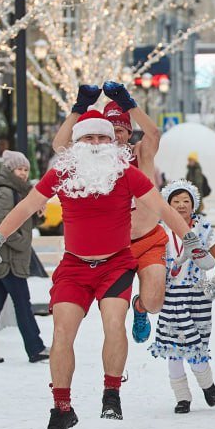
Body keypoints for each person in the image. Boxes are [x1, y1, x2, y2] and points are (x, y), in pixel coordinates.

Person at [0, 108, 212, 429]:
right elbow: (26, 207)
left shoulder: (126, 173)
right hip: (75, 267)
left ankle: (111, 393)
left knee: (113, 322)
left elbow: (163, 208)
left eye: (102, 137)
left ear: (112, 142)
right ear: (78, 142)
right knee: (62, 332)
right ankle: (62, 408)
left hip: (115, 263)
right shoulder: (62, 174)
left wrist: (193, 242)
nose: (96, 143)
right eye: (89, 137)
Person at [51, 82, 164, 345]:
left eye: (123, 129)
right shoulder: (90, 161)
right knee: (112, 320)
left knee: (155, 302)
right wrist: (79, 108)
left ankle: (140, 308)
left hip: (146, 239)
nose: (118, 135)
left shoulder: (140, 153)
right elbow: (60, 145)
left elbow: (154, 133)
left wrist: (128, 103)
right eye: (112, 131)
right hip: (113, 249)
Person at [152, 180, 215, 413]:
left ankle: (207, 383)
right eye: (176, 201)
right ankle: (182, 397)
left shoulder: (203, 228)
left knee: (197, 345)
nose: (181, 205)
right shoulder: (159, 230)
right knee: (173, 348)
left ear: (194, 204)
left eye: (186, 201)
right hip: (170, 295)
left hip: (198, 294)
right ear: (167, 204)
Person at [0, 150, 49, 365]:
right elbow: (0, 223)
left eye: (26, 169)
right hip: (6, 257)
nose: (23, 173)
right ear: (9, 169)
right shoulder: (6, 191)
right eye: (19, 169)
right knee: (22, 303)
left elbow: (23, 222)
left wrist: (38, 216)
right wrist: (21, 243)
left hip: (5, 257)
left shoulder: (19, 192)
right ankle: (35, 348)